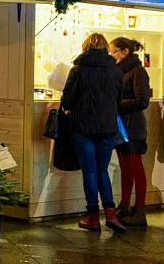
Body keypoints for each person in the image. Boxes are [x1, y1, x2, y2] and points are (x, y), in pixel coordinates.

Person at [60, 32, 128, 233]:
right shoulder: (115, 71)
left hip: (83, 128)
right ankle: (110, 215)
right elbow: (118, 101)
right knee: (102, 170)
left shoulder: (78, 69)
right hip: (107, 129)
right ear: (106, 48)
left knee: (89, 172)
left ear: (85, 47)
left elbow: (68, 99)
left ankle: (92, 217)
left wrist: (68, 108)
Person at [110, 37, 151, 226]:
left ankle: (140, 209)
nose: (112, 55)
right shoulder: (118, 71)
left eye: (114, 52)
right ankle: (125, 205)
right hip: (120, 126)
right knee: (125, 169)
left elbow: (142, 101)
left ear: (125, 51)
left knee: (135, 169)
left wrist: (118, 104)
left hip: (133, 128)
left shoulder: (138, 71)